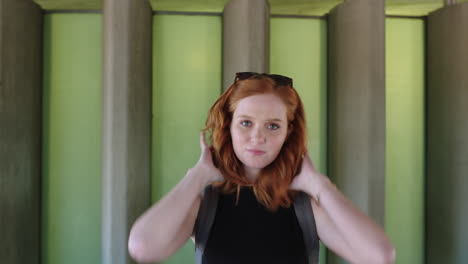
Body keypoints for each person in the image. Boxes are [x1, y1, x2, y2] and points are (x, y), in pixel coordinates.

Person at [128, 72, 396, 264]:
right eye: (246, 123)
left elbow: (379, 256)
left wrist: (319, 186)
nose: (258, 137)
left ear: (288, 132)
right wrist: (197, 176)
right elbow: (143, 247)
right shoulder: (207, 205)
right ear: (228, 127)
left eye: (273, 125)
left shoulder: (304, 207)